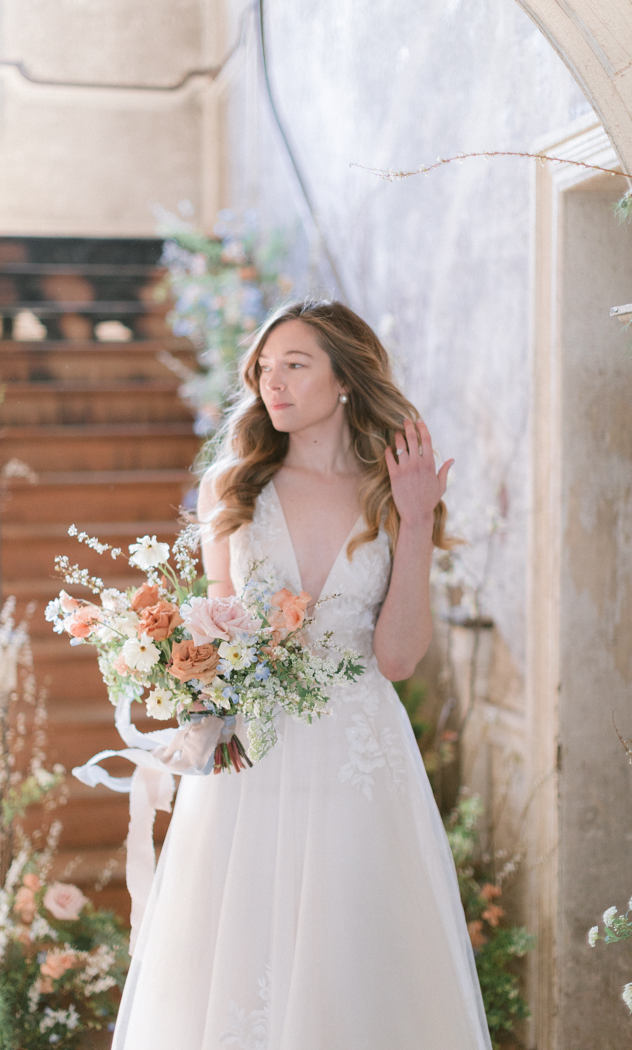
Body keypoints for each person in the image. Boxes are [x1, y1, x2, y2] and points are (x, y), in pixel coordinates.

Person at [113, 300, 490, 1049]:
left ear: (345, 378)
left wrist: (417, 523)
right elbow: (219, 628)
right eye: (264, 367)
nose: (271, 382)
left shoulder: (392, 490)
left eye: (295, 364)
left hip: (359, 758)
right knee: (239, 956)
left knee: (352, 959)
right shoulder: (234, 486)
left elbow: (399, 659)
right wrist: (185, 665)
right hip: (255, 758)